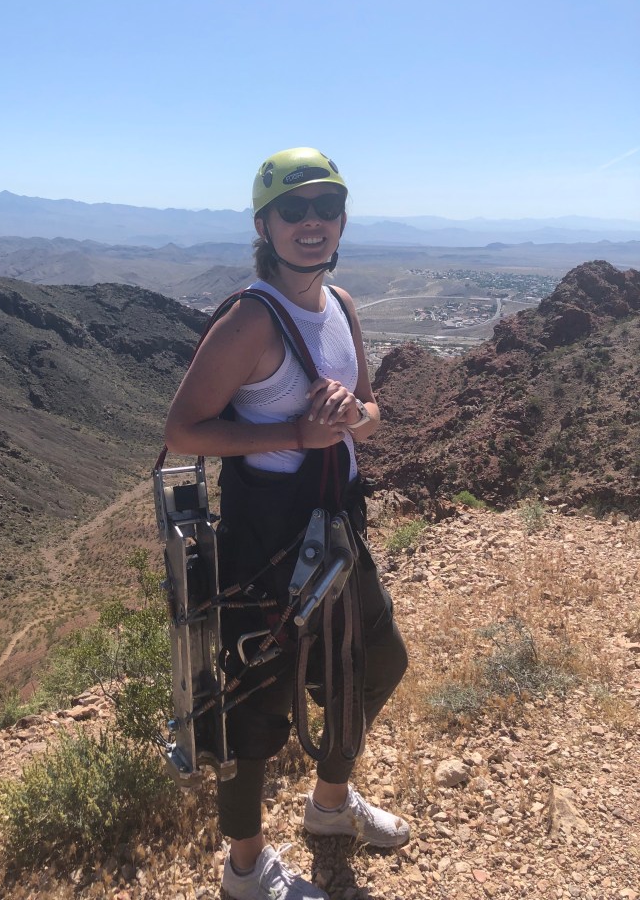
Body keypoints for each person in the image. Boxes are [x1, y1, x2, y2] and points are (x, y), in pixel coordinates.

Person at [165, 147, 409, 900]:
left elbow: (372, 413)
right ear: (264, 225)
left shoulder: (341, 306)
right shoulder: (250, 319)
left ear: (342, 221)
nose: (312, 222)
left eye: (326, 207)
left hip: (337, 522)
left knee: (376, 660)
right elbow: (184, 429)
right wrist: (295, 434)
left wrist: (351, 414)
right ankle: (246, 868)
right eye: (293, 209)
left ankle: (330, 806)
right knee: (257, 707)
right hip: (267, 540)